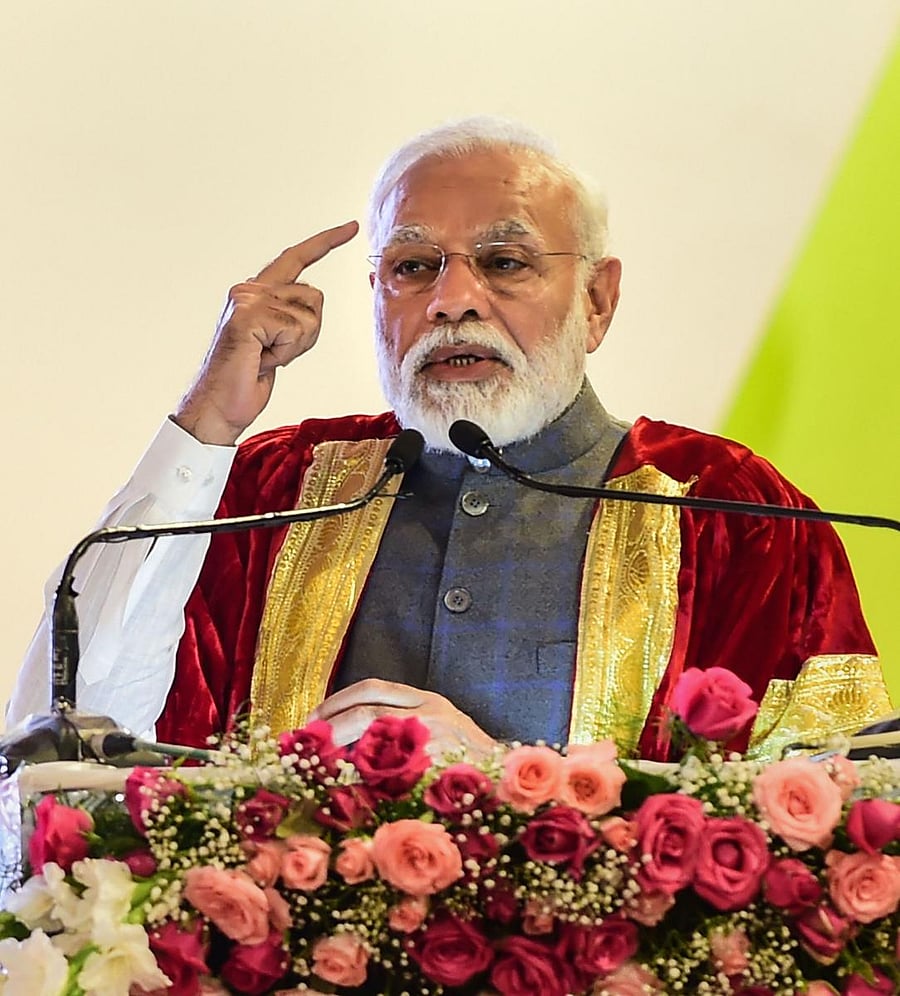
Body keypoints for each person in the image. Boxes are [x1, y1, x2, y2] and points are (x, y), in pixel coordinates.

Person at [8, 118, 892, 762]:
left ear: (597, 301)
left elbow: (836, 831)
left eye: (505, 263)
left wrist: (509, 783)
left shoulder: (733, 515)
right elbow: (67, 736)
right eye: (413, 267)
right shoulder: (277, 491)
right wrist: (209, 422)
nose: (452, 300)